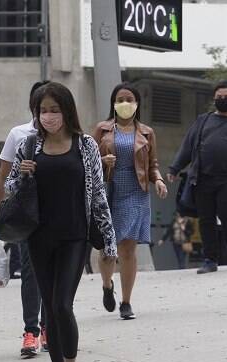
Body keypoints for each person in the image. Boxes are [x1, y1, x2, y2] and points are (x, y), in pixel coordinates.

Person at [6, 81, 116, 362]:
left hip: (74, 237)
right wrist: (23, 175)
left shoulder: (85, 146)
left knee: (61, 305)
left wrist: (108, 240)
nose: (49, 116)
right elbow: (12, 185)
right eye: (43, 111)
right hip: (39, 238)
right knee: (50, 312)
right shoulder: (29, 146)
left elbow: (97, 192)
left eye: (54, 110)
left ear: (66, 111)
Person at [93, 82, 168, 320]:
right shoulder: (102, 130)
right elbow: (89, 159)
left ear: (137, 103)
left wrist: (158, 180)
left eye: (129, 99)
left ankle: (126, 302)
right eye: (120, 99)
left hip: (137, 191)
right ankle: (107, 285)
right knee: (107, 248)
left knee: (128, 249)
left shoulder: (146, 132)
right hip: (109, 190)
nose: (125, 104)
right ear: (114, 104)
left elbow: (153, 163)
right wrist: (104, 161)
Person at [0, 81, 49, 357]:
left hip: (60, 216)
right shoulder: (19, 134)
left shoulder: (71, 136)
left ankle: (49, 326)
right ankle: (31, 330)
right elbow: (2, 178)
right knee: (31, 272)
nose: (47, 113)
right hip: (28, 216)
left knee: (55, 275)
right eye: (42, 106)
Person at [167, 80, 227, 275]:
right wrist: (174, 168)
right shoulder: (203, 121)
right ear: (214, 99)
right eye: (219, 98)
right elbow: (187, 146)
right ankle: (210, 259)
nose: (223, 100)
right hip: (202, 178)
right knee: (206, 219)